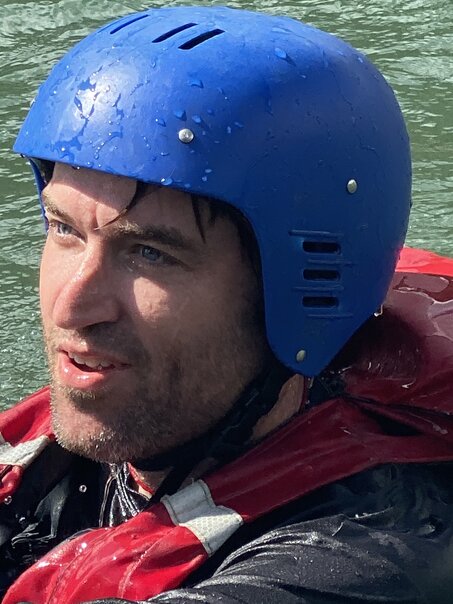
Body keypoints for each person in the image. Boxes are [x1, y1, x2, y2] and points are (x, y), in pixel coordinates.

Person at [1, 5, 453, 603]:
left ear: (299, 293)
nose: (71, 307)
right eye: (64, 229)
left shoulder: (360, 563)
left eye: (150, 254)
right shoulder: (98, 441)